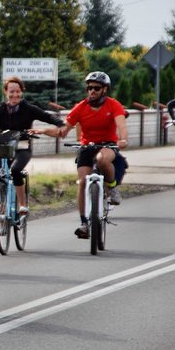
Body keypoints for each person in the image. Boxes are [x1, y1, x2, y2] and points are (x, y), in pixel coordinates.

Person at [58, 72, 128, 239]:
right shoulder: (80, 107)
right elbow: (64, 129)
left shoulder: (113, 105)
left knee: (102, 160)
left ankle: (112, 187)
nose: (92, 91)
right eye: (89, 88)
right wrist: (43, 131)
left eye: (96, 88)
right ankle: (84, 223)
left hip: (107, 144)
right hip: (87, 146)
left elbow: (121, 125)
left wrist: (123, 139)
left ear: (105, 89)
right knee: (83, 182)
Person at [0, 76, 65, 215]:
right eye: (11, 91)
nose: (15, 94)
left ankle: (22, 204)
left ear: (21, 92)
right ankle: (2, 206)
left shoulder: (28, 108)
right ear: (6, 92)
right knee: (0, 174)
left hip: (23, 147)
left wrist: (62, 124)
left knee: (15, 170)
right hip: (5, 148)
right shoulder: (0, 110)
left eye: (18, 91)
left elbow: (47, 116)